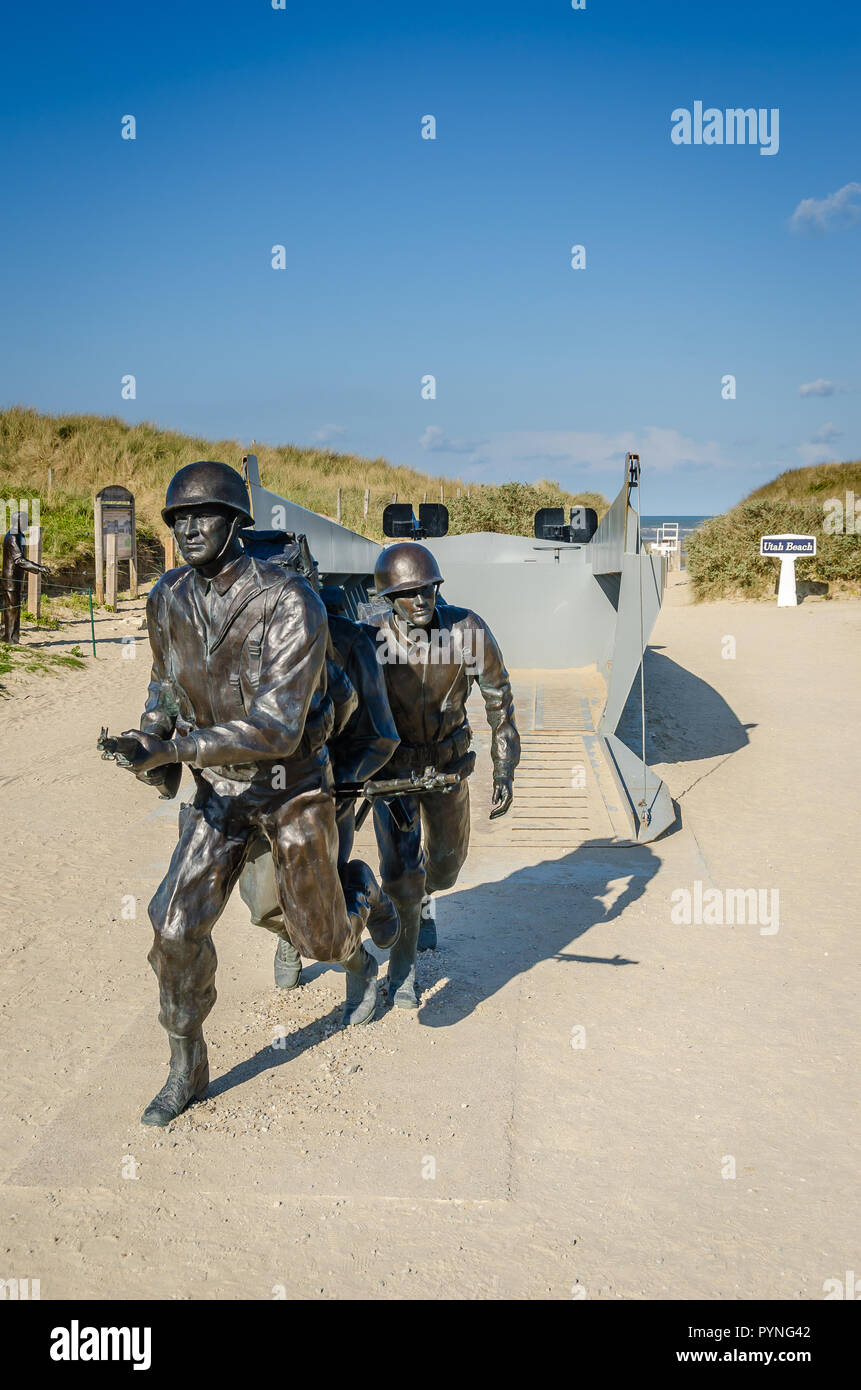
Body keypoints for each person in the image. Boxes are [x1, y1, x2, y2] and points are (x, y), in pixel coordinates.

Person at [111, 461, 398, 1126]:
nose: (188, 528)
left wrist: (175, 749)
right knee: (174, 928)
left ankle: (363, 898)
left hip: (290, 787)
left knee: (319, 939)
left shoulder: (287, 601)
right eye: (177, 518)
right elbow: (165, 681)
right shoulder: (168, 596)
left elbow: (275, 727)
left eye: (203, 514)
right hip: (218, 791)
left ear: (237, 520)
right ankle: (187, 1066)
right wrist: (146, 735)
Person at [365, 542, 520, 1008]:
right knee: (400, 872)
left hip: (449, 766)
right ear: (389, 598)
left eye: (428, 589)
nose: (421, 600)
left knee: (446, 868)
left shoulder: (466, 630)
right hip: (393, 771)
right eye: (408, 593)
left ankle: (418, 900)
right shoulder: (369, 637)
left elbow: (500, 698)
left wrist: (504, 764)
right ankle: (404, 964)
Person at [238, 583, 400, 992]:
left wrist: (341, 782)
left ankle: (357, 948)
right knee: (261, 906)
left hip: (323, 795)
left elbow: (381, 735)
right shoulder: (238, 636)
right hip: (256, 792)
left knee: (320, 910)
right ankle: (288, 935)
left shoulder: (350, 641)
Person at [2, 511, 49, 644]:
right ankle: (10, 639)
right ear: (17, 522)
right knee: (12, 609)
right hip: (11, 580)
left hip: (13, 579)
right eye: (24, 521)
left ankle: (5, 636)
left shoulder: (18, 535)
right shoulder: (13, 536)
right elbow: (19, 560)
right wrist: (39, 568)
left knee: (9, 608)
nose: (26, 524)